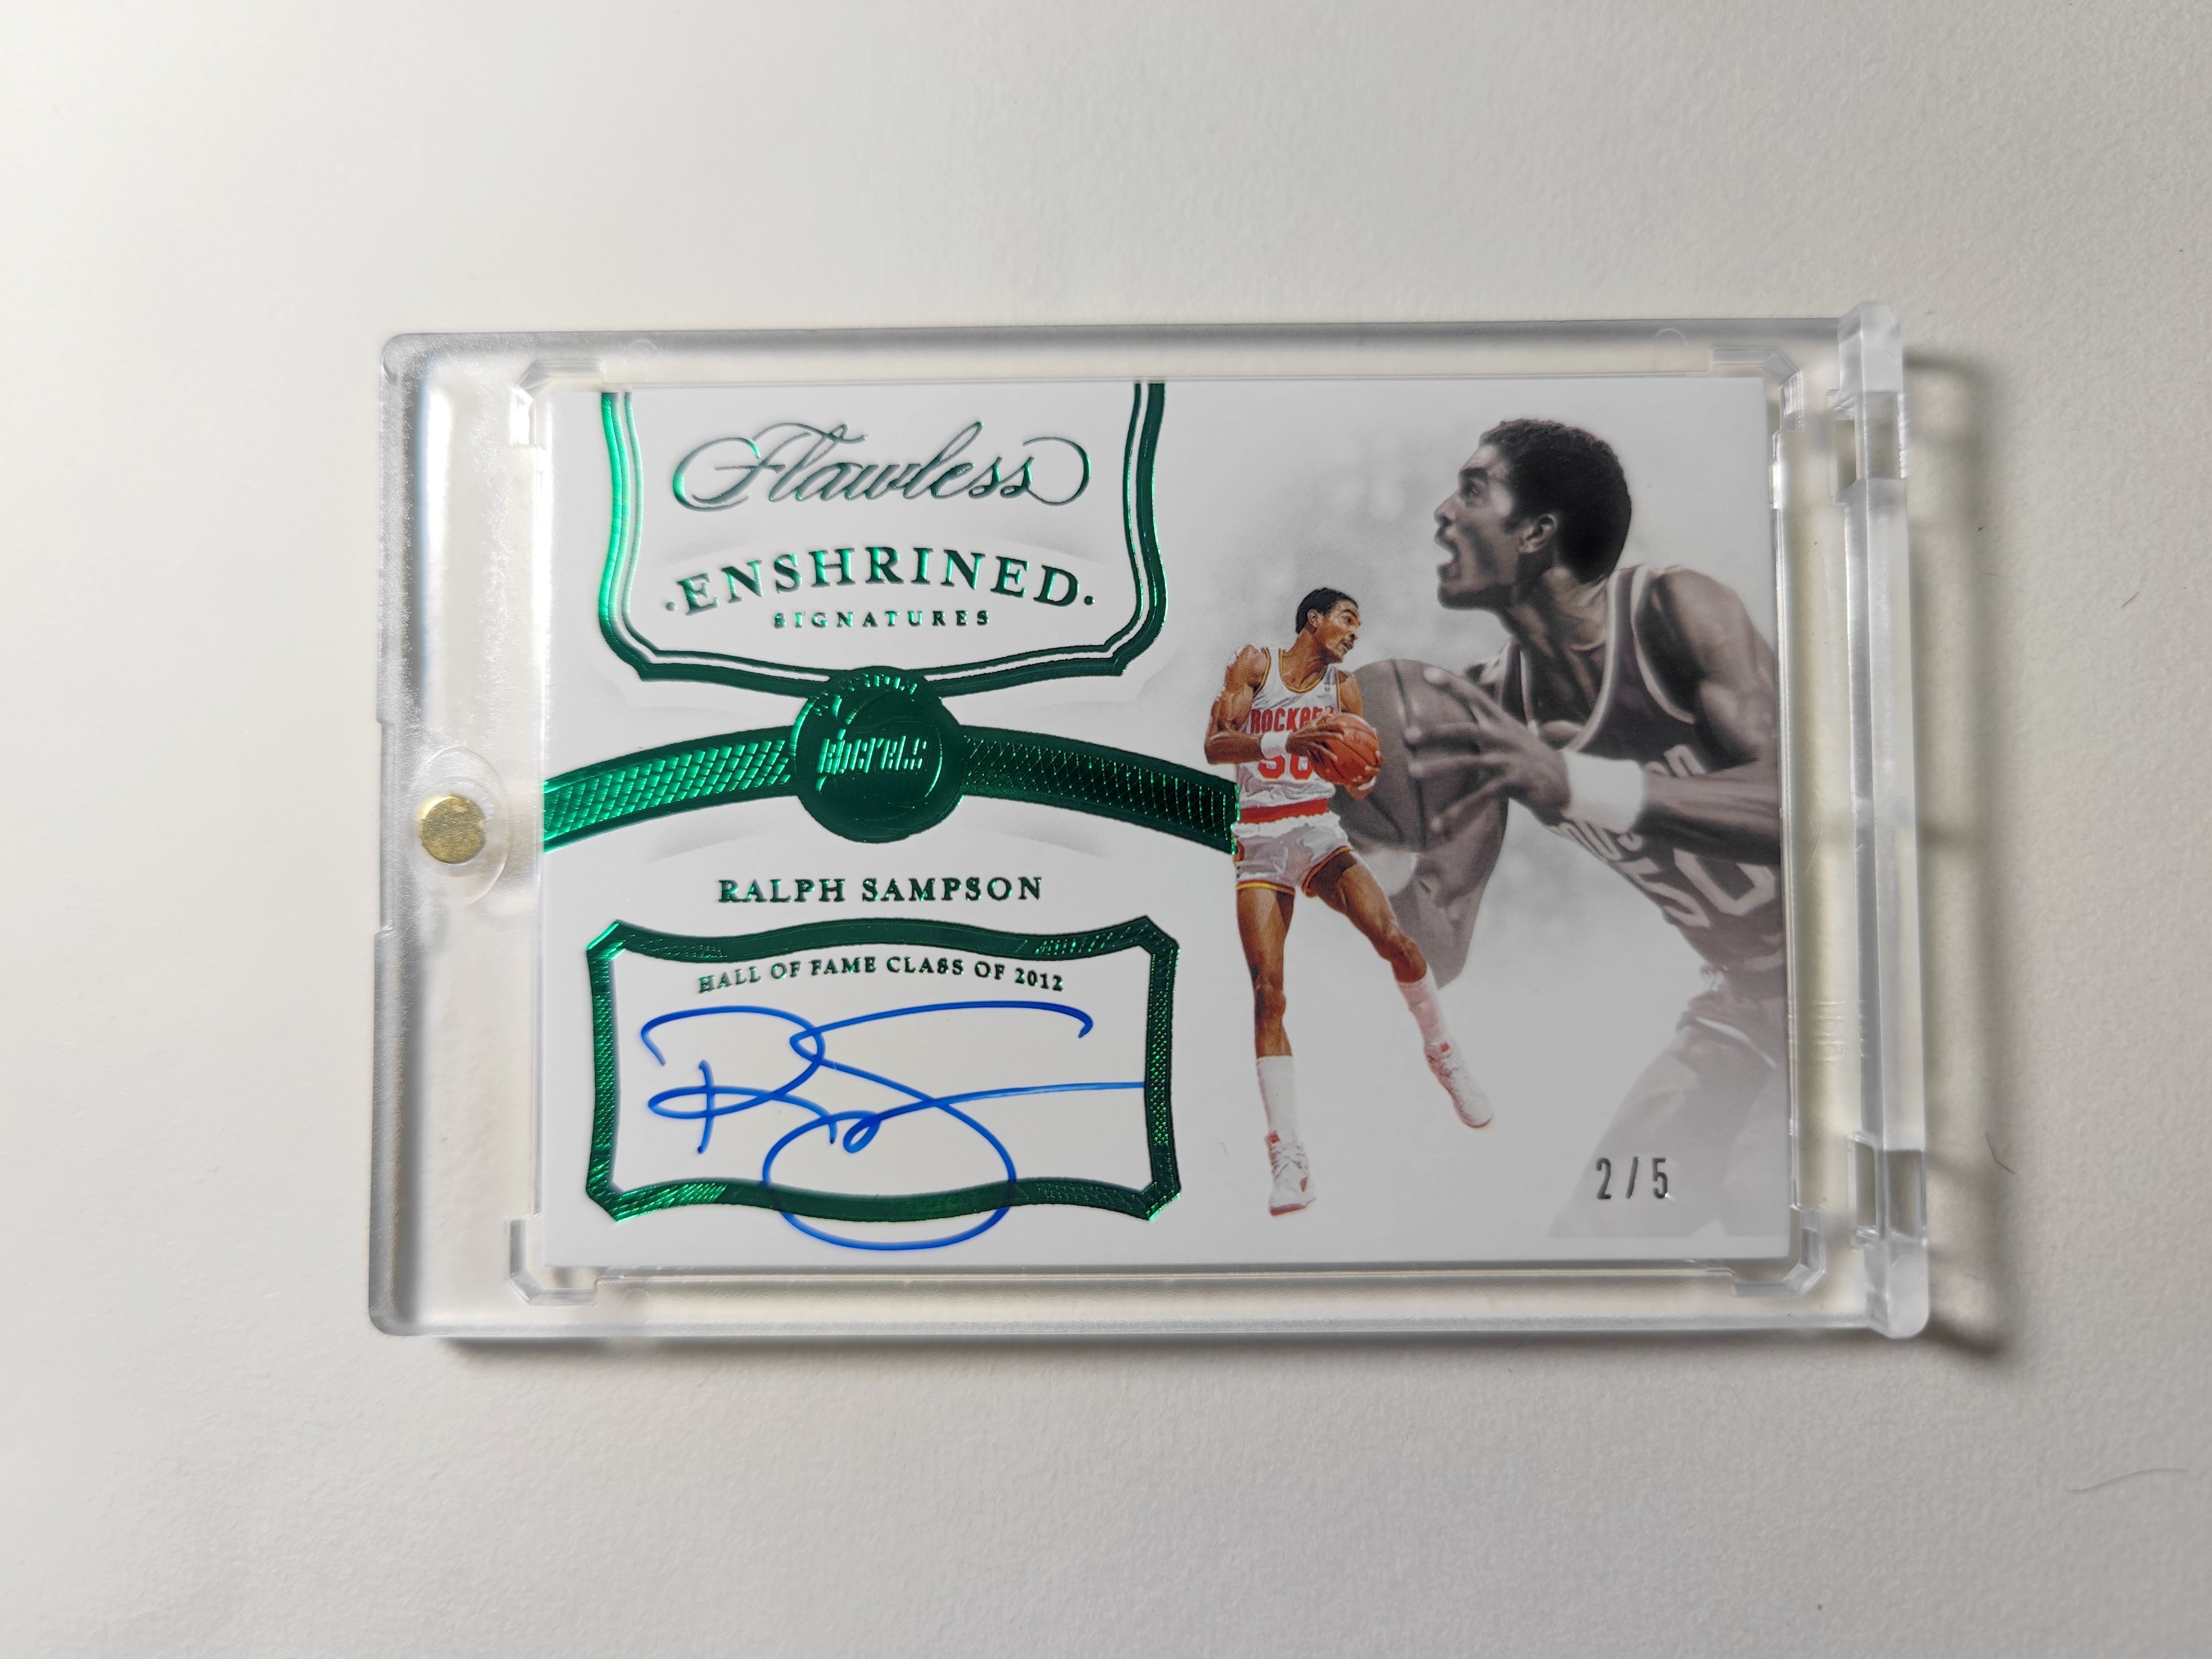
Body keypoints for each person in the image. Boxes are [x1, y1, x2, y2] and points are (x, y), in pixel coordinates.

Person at [1404, 419, 1786, 1237]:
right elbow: (1437, 946)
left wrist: (1580, 783)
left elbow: (1802, 812)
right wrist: (1344, 842)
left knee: (1765, 1203)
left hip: (1852, 982)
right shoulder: (1487, 712)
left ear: (1537, 531)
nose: (1443, 511)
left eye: (1472, 491)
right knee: (1590, 1235)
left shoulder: (1674, 612)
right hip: (1746, 1003)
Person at [1205, 587, 1490, 1217]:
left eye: (1359, 625)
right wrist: (1289, 744)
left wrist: (1363, 774)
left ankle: (1444, 1052)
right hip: (1260, 841)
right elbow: (1217, 744)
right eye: (1347, 619)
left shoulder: (1346, 690)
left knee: (1394, 939)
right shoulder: (1255, 665)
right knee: (1268, 992)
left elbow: (1361, 789)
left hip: (1316, 832)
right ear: (1314, 619)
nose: (1355, 633)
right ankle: (1290, 1157)